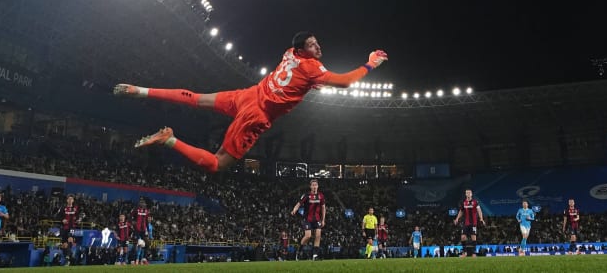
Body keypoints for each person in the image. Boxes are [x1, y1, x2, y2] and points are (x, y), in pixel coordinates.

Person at [116, 32, 388, 173]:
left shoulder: (290, 53)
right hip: (257, 114)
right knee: (217, 164)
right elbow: (345, 81)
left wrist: (307, 83)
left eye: (317, 43)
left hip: (249, 94)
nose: (318, 47)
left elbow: (300, 79)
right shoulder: (312, 68)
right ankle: (169, 140)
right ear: (302, 50)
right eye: (313, 45)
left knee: (197, 98)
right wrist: (370, 63)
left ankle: (140, 91)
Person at [290, 178, 327, 261]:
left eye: (315, 185)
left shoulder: (321, 196)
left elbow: (323, 208)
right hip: (307, 219)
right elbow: (299, 203)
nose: (314, 186)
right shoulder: (306, 195)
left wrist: (323, 220)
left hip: (317, 219)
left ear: (318, 186)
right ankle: (299, 251)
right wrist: (294, 210)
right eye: (313, 185)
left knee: (318, 235)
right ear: (310, 186)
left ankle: (315, 255)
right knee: (308, 236)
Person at [453, 188, 484, 258]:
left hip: (473, 222)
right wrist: (457, 218)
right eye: (467, 193)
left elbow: (479, 210)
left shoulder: (475, 202)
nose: (468, 194)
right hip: (465, 223)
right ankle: (464, 253)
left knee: (473, 237)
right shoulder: (463, 202)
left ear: (471, 194)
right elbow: (461, 211)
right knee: (463, 237)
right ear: (465, 194)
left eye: (469, 193)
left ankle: (474, 253)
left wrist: (481, 218)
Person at [59, 195, 79, 265]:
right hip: (64, 228)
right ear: (67, 200)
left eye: (71, 199)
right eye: (69, 199)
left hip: (72, 227)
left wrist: (78, 220)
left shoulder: (76, 208)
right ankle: (70, 258)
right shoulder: (63, 208)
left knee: (70, 239)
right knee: (64, 245)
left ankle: (68, 258)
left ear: (73, 200)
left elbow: (78, 216)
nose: (70, 200)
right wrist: (62, 220)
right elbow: (58, 216)